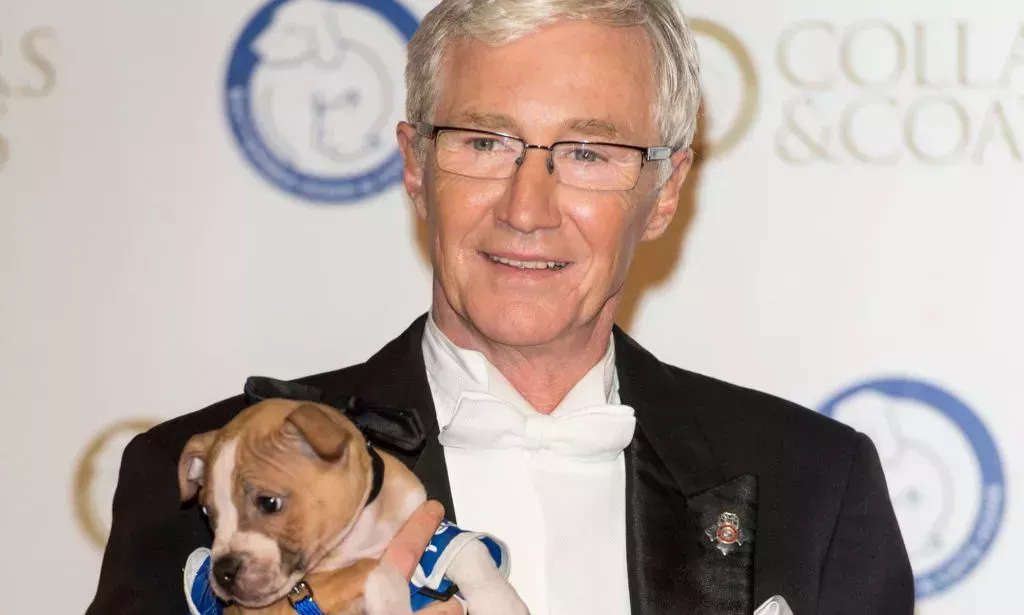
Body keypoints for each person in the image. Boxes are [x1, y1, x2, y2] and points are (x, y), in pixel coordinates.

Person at [86, 1, 914, 614]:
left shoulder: (815, 485)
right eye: (485, 143)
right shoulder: (199, 478)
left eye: (588, 152)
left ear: (662, 194)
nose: (527, 206)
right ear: (415, 166)